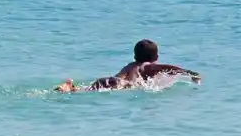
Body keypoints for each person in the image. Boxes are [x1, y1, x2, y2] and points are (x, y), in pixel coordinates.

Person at [54, 39, 201, 93]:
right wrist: (191, 73)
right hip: (124, 85)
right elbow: (169, 68)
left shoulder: (130, 65)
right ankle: (70, 88)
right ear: (155, 58)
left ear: (134, 56)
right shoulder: (148, 66)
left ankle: (69, 86)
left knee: (87, 90)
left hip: (110, 79)